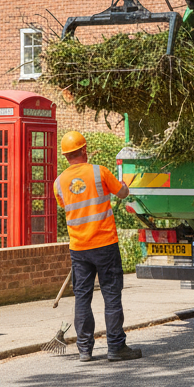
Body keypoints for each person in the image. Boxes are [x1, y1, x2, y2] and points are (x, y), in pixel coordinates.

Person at [53, 130, 141, 362]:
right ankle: (116, 348)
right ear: (83, 150)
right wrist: (124, 185)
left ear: (66, 156)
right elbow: (122, 193)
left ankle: (84, 350)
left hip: (79, 248)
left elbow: (69, 207)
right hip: (104, 245)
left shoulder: (58, 183)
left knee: (82, 297)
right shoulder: (98, 172)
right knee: (111, 295)